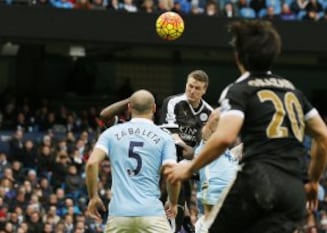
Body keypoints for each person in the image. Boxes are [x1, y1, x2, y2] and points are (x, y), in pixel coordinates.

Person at [165, 20, 327, 233]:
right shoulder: (293, 91)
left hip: (258, 183)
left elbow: (225, 137)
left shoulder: (239, 90)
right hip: (294, 190)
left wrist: (189, 168)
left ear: (238, 57)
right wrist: (314, 181)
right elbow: (324, 137)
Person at [86, 89, 181, 233]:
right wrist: (173, 202)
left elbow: (92, 163)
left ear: (129, 107)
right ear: (154, 108)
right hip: (151, 214)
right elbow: (172, 174)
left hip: (119, 214)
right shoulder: (164, 137)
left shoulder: (111, 133)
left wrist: (93, 196)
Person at [159, 69, 213, 233]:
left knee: (184, 200)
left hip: (190, 163)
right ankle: (179, 224)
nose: (192, 91)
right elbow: (168, 134)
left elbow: (208, 142)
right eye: (190, 86)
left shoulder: (209, 113)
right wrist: (188, 148)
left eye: (197, 88)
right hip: (167, 157)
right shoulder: (173, 102)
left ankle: (185, 222)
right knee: (167, 198)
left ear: (204, 90)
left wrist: (195, 153)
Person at [193, 109, 241, 233]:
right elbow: (212, 123)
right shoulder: (206, 149)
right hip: (212, 208)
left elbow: (239, 150)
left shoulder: (227, 155)